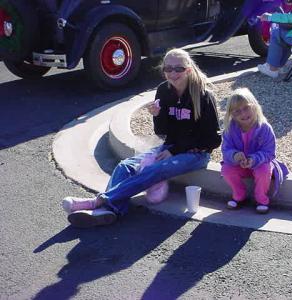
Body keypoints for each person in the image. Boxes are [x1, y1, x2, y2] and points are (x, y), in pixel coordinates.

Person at [62, 48, 222, 228]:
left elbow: (213, 139)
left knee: (155, 169)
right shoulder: (164, 91)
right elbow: (162, 131)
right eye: (168, 69)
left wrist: (175, 150)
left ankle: (98, 202)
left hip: (196, 153)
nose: (172, 73)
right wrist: (157, 115)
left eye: (178, 69)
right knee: (125, 166)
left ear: (189, 69)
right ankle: (111, 210)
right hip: (169, 147)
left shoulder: (203, 96)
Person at [221, 88, 278, 214]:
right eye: (237, 111)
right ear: (231, 115)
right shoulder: (230, 129)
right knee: (226, 170)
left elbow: (270, 152)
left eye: (246, 108)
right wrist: (234, 155)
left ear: (255, 106)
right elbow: (226, 149)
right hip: (239, 165)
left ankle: (261, 199)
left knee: (263, 171)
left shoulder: (264, 128)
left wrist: (254, 159)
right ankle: (239, 195)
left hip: (259, 164)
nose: (243, 114)